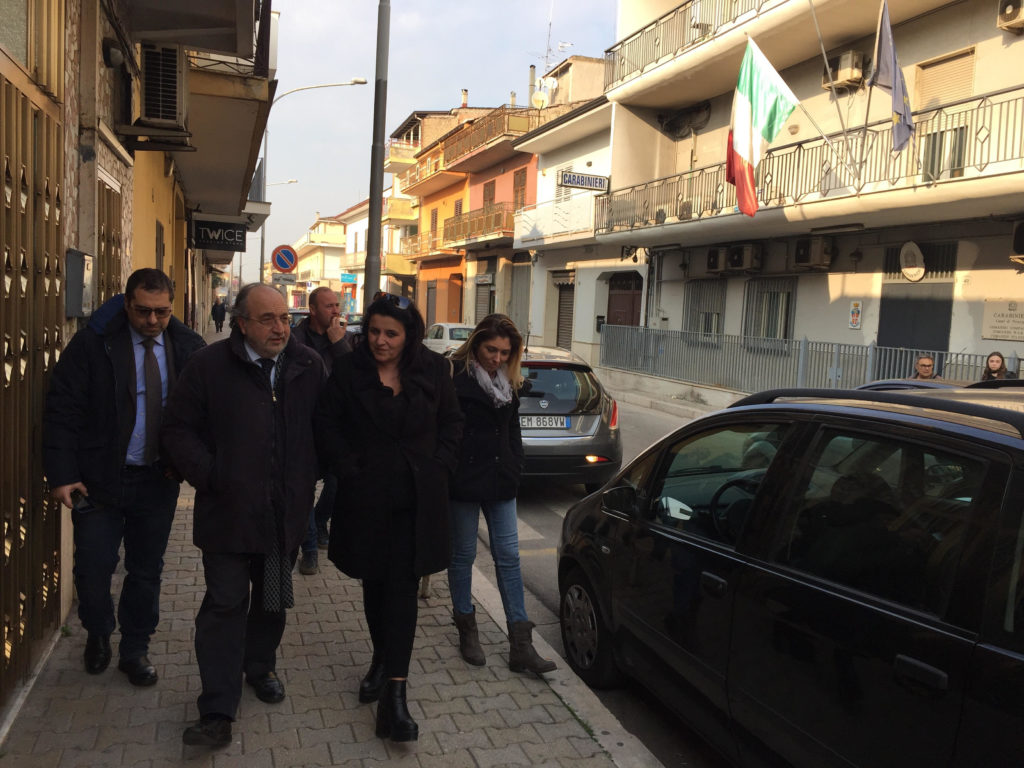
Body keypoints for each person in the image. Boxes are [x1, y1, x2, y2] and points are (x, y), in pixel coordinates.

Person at [161, 283, 325, 748]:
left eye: (285, 318)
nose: (280, 328)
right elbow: (177, 428)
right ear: (241, 323)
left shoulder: (308, 366)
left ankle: (260, 667)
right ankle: (217, 708)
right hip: (228, 515)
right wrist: (213, 476)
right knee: (225, 605)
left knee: (271, 601)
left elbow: (326, 428)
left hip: (283, 516)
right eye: (268, 319)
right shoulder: (208, 366)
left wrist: (308, 475)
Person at [42, 268, 205, 687]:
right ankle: (98, 632)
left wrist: (193, 467)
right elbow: (62, 409)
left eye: (161, 312)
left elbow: (203, 414)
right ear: (127, 303)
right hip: (98, 481)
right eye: (143, 311)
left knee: (145, 571)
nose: (152, 320)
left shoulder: (188, 348)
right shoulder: (93, 344)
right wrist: (62, 474)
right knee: (93, 569)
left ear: (171, 307)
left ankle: (135, 648)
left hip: (157, 480)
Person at [314, 292, 462, 743]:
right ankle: (381, 660)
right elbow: (326, 425)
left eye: (391, 334)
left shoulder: (434, 370)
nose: (381, 341)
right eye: (375, 331)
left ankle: (395, 695)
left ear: (409, 335)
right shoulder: (348, 370)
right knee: (375, 584)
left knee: (401, 587)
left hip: (417, 501)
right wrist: (348, 467)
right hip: (366, 499)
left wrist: (439, 465)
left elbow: (453, 424)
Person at [446, 314, 556, 676]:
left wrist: (515, 464)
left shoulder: (509, 382)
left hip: (501, 480)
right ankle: (467, 629)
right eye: (491, 350)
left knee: (509, 557)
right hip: (464, 481)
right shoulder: (455, 377)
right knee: (463, 556)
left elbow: (513, 431)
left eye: (505, 353)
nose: (497, 358)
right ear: (476, 344)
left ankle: (520, 646)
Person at [289, 287, 352, 575]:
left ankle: (319, 518)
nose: (336, 311)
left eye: (337, 305)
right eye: (329, 306)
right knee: (303, 488)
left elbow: (354, 377)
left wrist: (339, 343)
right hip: (303, 424)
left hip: (335, 426)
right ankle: (310, 549)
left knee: (338, 482)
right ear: (312, 310)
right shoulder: (294, 339)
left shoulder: (344, 338)